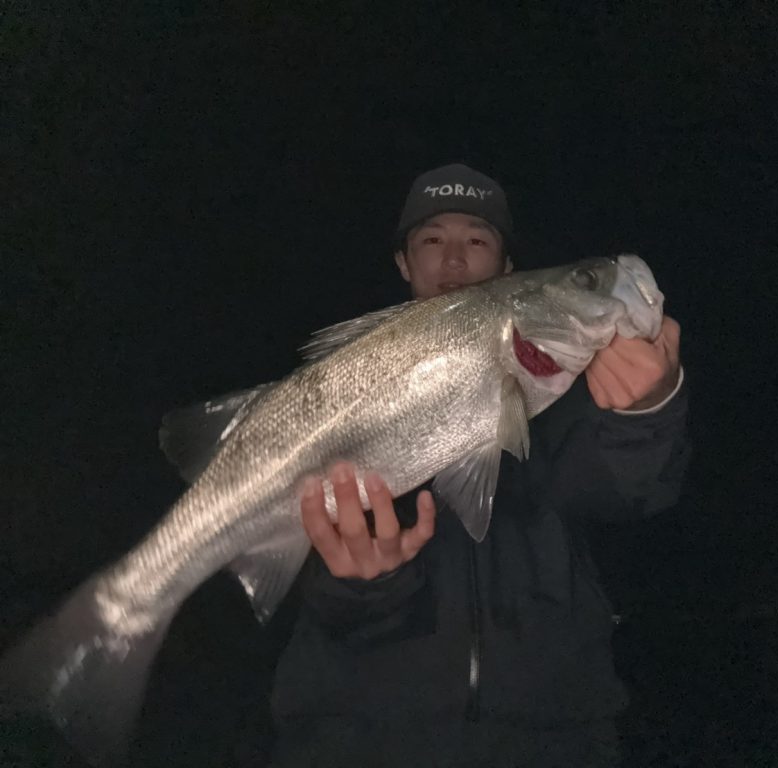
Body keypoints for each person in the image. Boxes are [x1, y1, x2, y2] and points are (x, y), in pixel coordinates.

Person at [269, 163, 690, 767]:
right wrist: (363, 585)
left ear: (509, 270)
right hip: (363, 743)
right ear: (404, 264)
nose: (455, 261)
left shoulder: (565, 397)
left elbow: (628, 492)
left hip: (553, 742)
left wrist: (650, 409)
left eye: (477, 239)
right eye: (432, 240)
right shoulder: (349, 389)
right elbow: (319, 604)